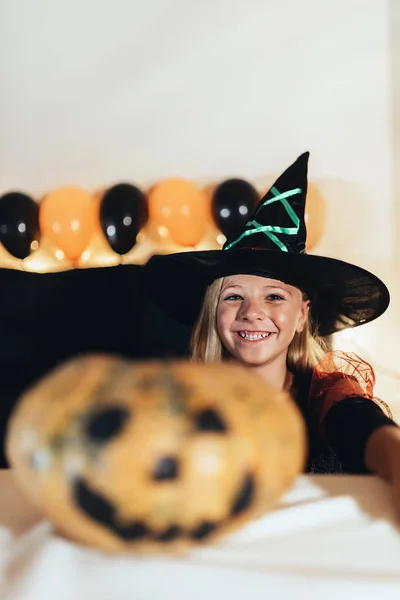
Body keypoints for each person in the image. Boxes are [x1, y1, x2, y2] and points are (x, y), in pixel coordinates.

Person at [144, 152, 400, 488]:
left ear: (302, 315)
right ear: (212, 312)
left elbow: (361, 426)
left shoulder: (328, 394)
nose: (252, 312)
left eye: (274, 296)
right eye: (234, 296)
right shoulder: (177, 400)